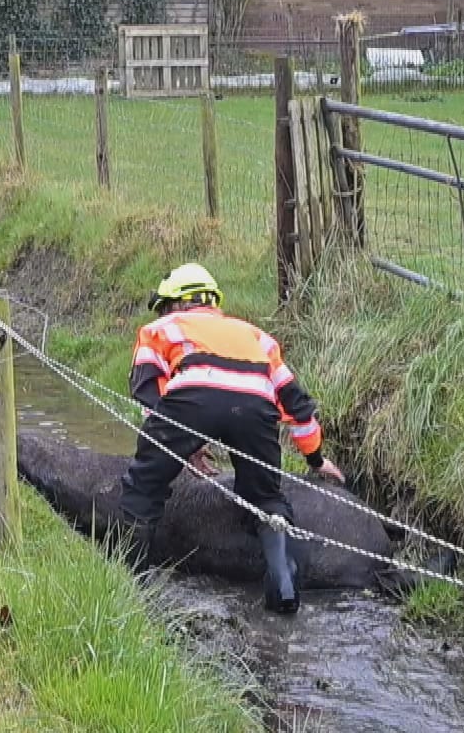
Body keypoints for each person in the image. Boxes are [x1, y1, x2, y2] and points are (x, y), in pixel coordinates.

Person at [115, 263, 345, 614]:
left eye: (164, 305)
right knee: (266, 498)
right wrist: (316, 459)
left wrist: (181, 444)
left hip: (192, 397)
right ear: (212, 302)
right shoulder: (256, 336)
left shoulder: (159, 328)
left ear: (176, 303)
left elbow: (148, 390)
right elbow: (296, 403)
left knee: (141, 489)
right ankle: (283, 586)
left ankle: (135, 586)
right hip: (256, 405)